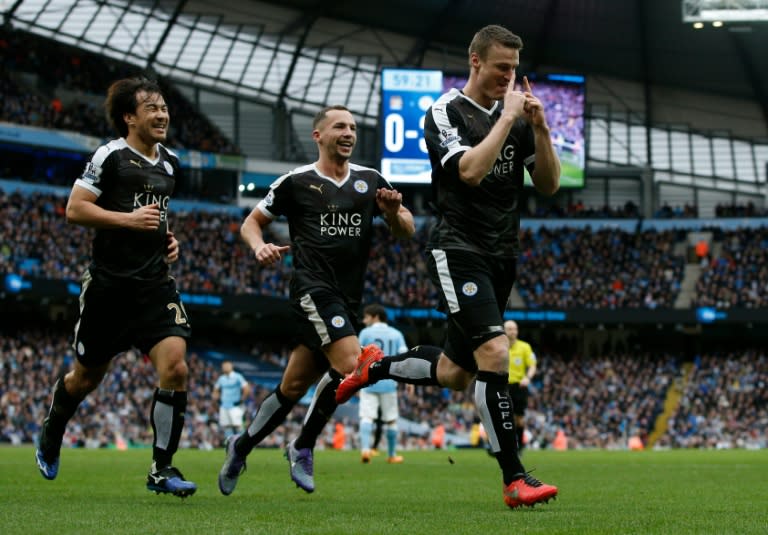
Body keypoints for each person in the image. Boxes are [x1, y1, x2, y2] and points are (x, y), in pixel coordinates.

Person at [337, 25, 560, 509]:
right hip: (458, 248)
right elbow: (470, 171)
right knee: (496, 353)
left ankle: (376, 367)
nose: (510, 76)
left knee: (457, 373)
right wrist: (507, 119)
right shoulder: (444, 112)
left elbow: (548, 184)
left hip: (504, 254)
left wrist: (539, 129)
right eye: (502, 67)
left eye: (515, 69)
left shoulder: (520, 119)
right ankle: (514, 479)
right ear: (475, 61)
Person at [217, 105, 415, 496]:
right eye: (340, 126)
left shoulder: (370, 180)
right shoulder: (296, 182)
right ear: (318, 135)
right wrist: (258, 247)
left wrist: (393, 214)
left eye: (354, 127)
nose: (349, 132)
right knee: (349, 364)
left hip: (348, 298)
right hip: (313, 289)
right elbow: (250, 222)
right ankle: (304, 445)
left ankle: (241, 446)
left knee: (292, 387)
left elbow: (405, 229)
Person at [35, 76, 197, 497]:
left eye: (164, 107)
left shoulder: (171, 163)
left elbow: (157, 216)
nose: (162, 114)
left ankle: (162, 469)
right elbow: (75, 209)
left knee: (176, 367)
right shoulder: (110, 156)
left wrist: (168, 239)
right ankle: (53, 429)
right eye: (151, 108)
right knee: (85, 379)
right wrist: (128, 220)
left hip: (154, 285)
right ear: (129, 117)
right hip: (109, 288)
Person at [357, 304, 408, 464]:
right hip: (388, 382)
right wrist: (408, 381)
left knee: (367, 417)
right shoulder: (397, 334)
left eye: (366, 317)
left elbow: (357, 358)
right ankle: (392, 455)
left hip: (367, 382)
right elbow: (404, 358)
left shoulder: (365, 333)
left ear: (375, 316)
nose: (364, 321)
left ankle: (365, 450)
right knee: (391, 419)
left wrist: (355, 382)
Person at [504, 320, 537, 452]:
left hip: (519, 386)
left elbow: (532, 365)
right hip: (502, 385)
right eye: (510, 329)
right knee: (505, 417)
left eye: (515, 329)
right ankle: (506, 446)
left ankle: (520, 446)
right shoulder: (499, 346)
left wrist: (527, 378)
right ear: (504, 331)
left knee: (519, 418)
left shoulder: (525, 347)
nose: (513, 331)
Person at [214, 360, 250, 442]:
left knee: (238, 425)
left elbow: (246, 388)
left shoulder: (238, 377)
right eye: (223, 366)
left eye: (226, 366)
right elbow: (216, 389)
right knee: (227, 426)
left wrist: (242, 399)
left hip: (235, 405)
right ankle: (229, 443)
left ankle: (243, 443)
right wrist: (217, 399)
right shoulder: (221, 378)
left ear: (231, 366)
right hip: (224, 406)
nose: (224, 368)